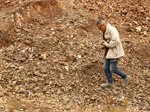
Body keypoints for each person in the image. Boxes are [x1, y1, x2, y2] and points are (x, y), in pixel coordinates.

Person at [96, 17, 131, 88]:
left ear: (104, 25)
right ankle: (110, 83)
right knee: (105, 67)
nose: (100, 30)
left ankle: (126, 77)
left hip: (114, 52)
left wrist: (106, 44)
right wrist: (104, 46)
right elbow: (108, 42)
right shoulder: (105, 31)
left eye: (100, 28)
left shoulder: (112, 30)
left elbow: (116, 41)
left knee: (113, 68)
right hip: (108, 52)